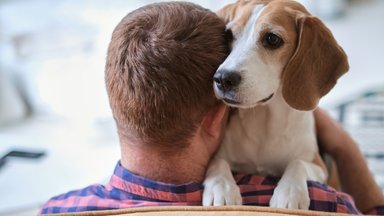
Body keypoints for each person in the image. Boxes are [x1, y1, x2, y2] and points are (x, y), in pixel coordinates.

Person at [39, 2, 384, 215]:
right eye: (233, 38)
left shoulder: (56, 210)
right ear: (218, 115)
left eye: (270, 41)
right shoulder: (327, 206)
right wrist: (342, 146)